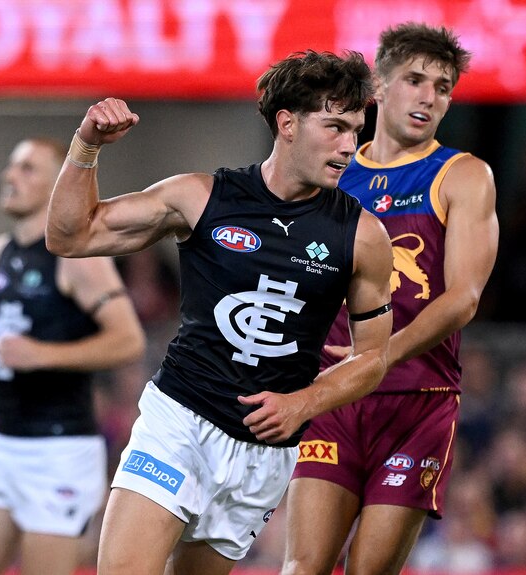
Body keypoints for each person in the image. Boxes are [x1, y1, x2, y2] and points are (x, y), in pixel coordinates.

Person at [45, 49, 394, 575]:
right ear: (287, 124)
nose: (350, 146)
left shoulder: (363, 236)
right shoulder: (201, 197)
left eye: (356, 129)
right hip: (180, 421)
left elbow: (373, 357)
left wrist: (304, 402)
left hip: (265, 455)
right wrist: (87, 146)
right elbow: (70, 235)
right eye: (335, 127)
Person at [282, 23, 499, 575]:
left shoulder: (462, 176)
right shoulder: (330, 174)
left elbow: (463, 298)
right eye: (415, 79)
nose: (429, 96)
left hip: (417, 400)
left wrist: (377, 354)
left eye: (443, 87)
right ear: (378, 85)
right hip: (330, 397)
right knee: (303, 568)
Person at [0, 137, 145, 575]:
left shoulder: (78, 258)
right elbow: (6, 327)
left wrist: (42, 354)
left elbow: (128, 340)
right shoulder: (1, 251)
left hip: (60, 449)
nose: (10, 176)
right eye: (11, 165)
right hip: (1, 440)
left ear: (58, 184)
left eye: (27, 168)